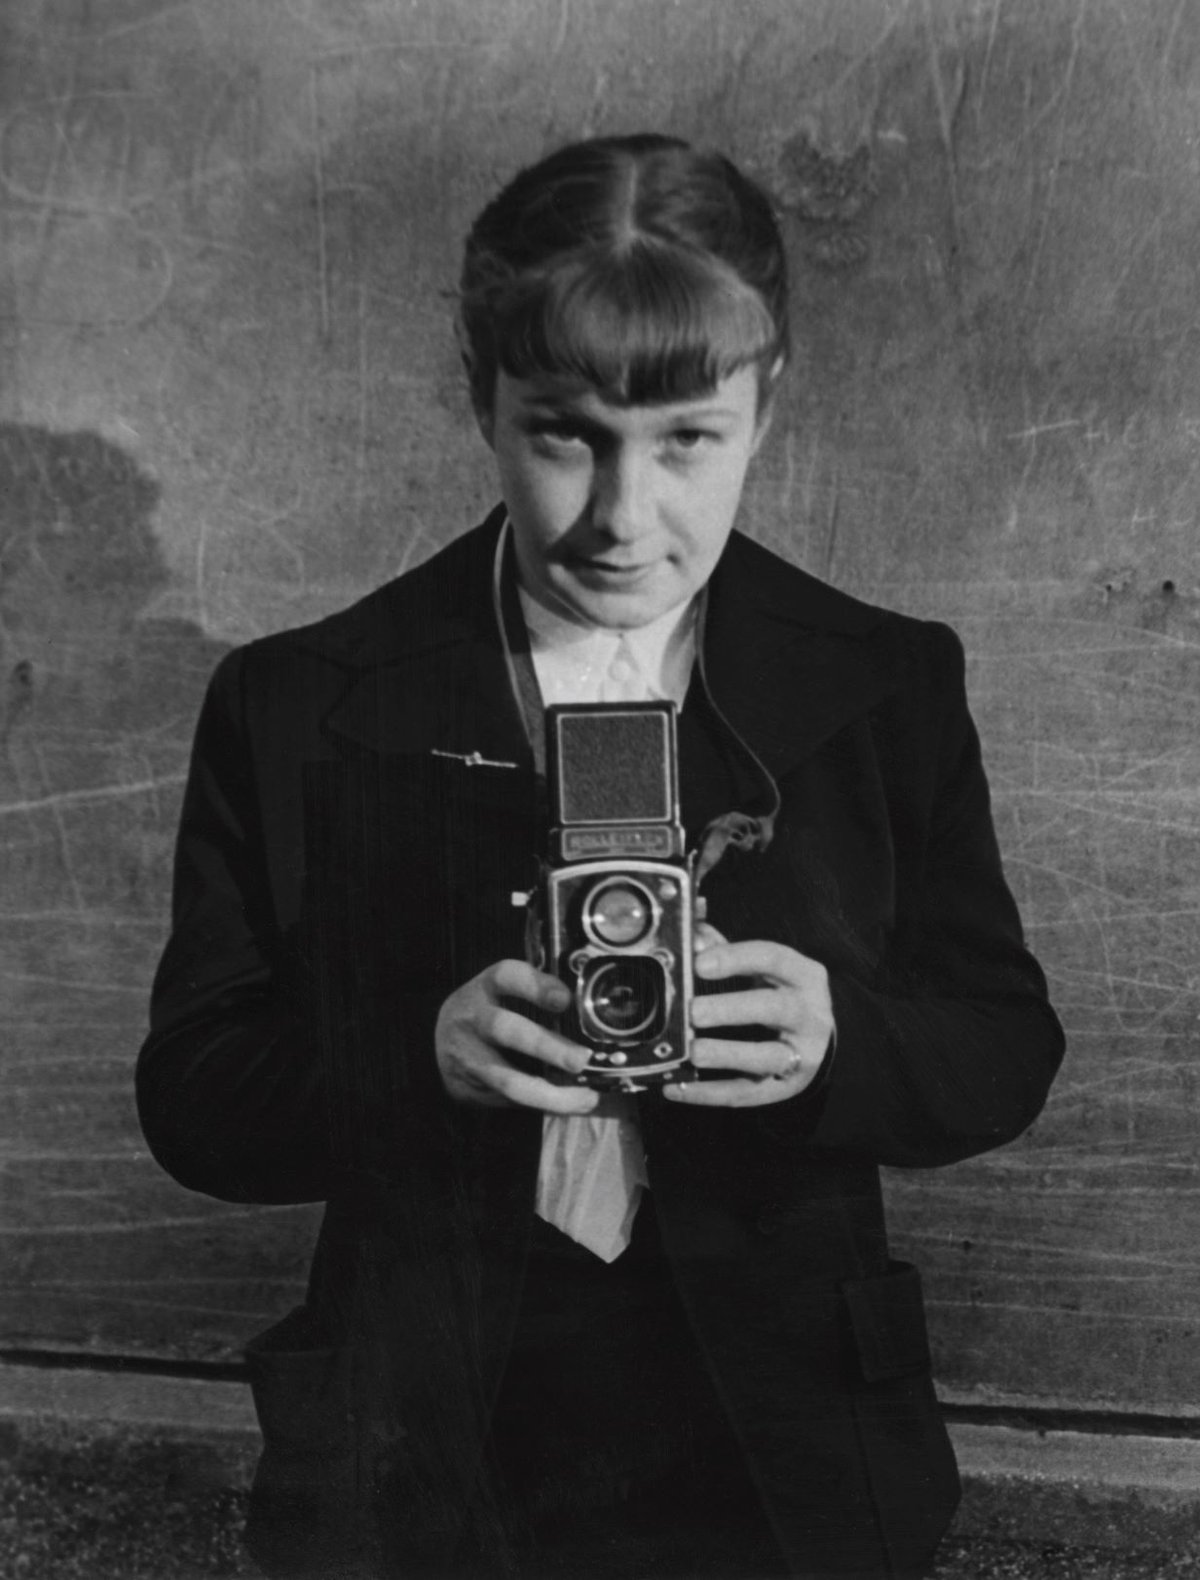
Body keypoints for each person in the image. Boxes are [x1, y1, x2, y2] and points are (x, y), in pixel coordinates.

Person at [136, 133, 1064, 1580]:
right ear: (480, 404)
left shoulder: (889, 686)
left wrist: (839, 1043)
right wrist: (414, 1055)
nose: (625, 520)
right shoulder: (297, 701)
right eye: (564, 432)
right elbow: (194, 1103)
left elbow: (1004, 1047)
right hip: (422, 1455)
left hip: (786, 1451)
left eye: (689, 439)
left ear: (770, 404)